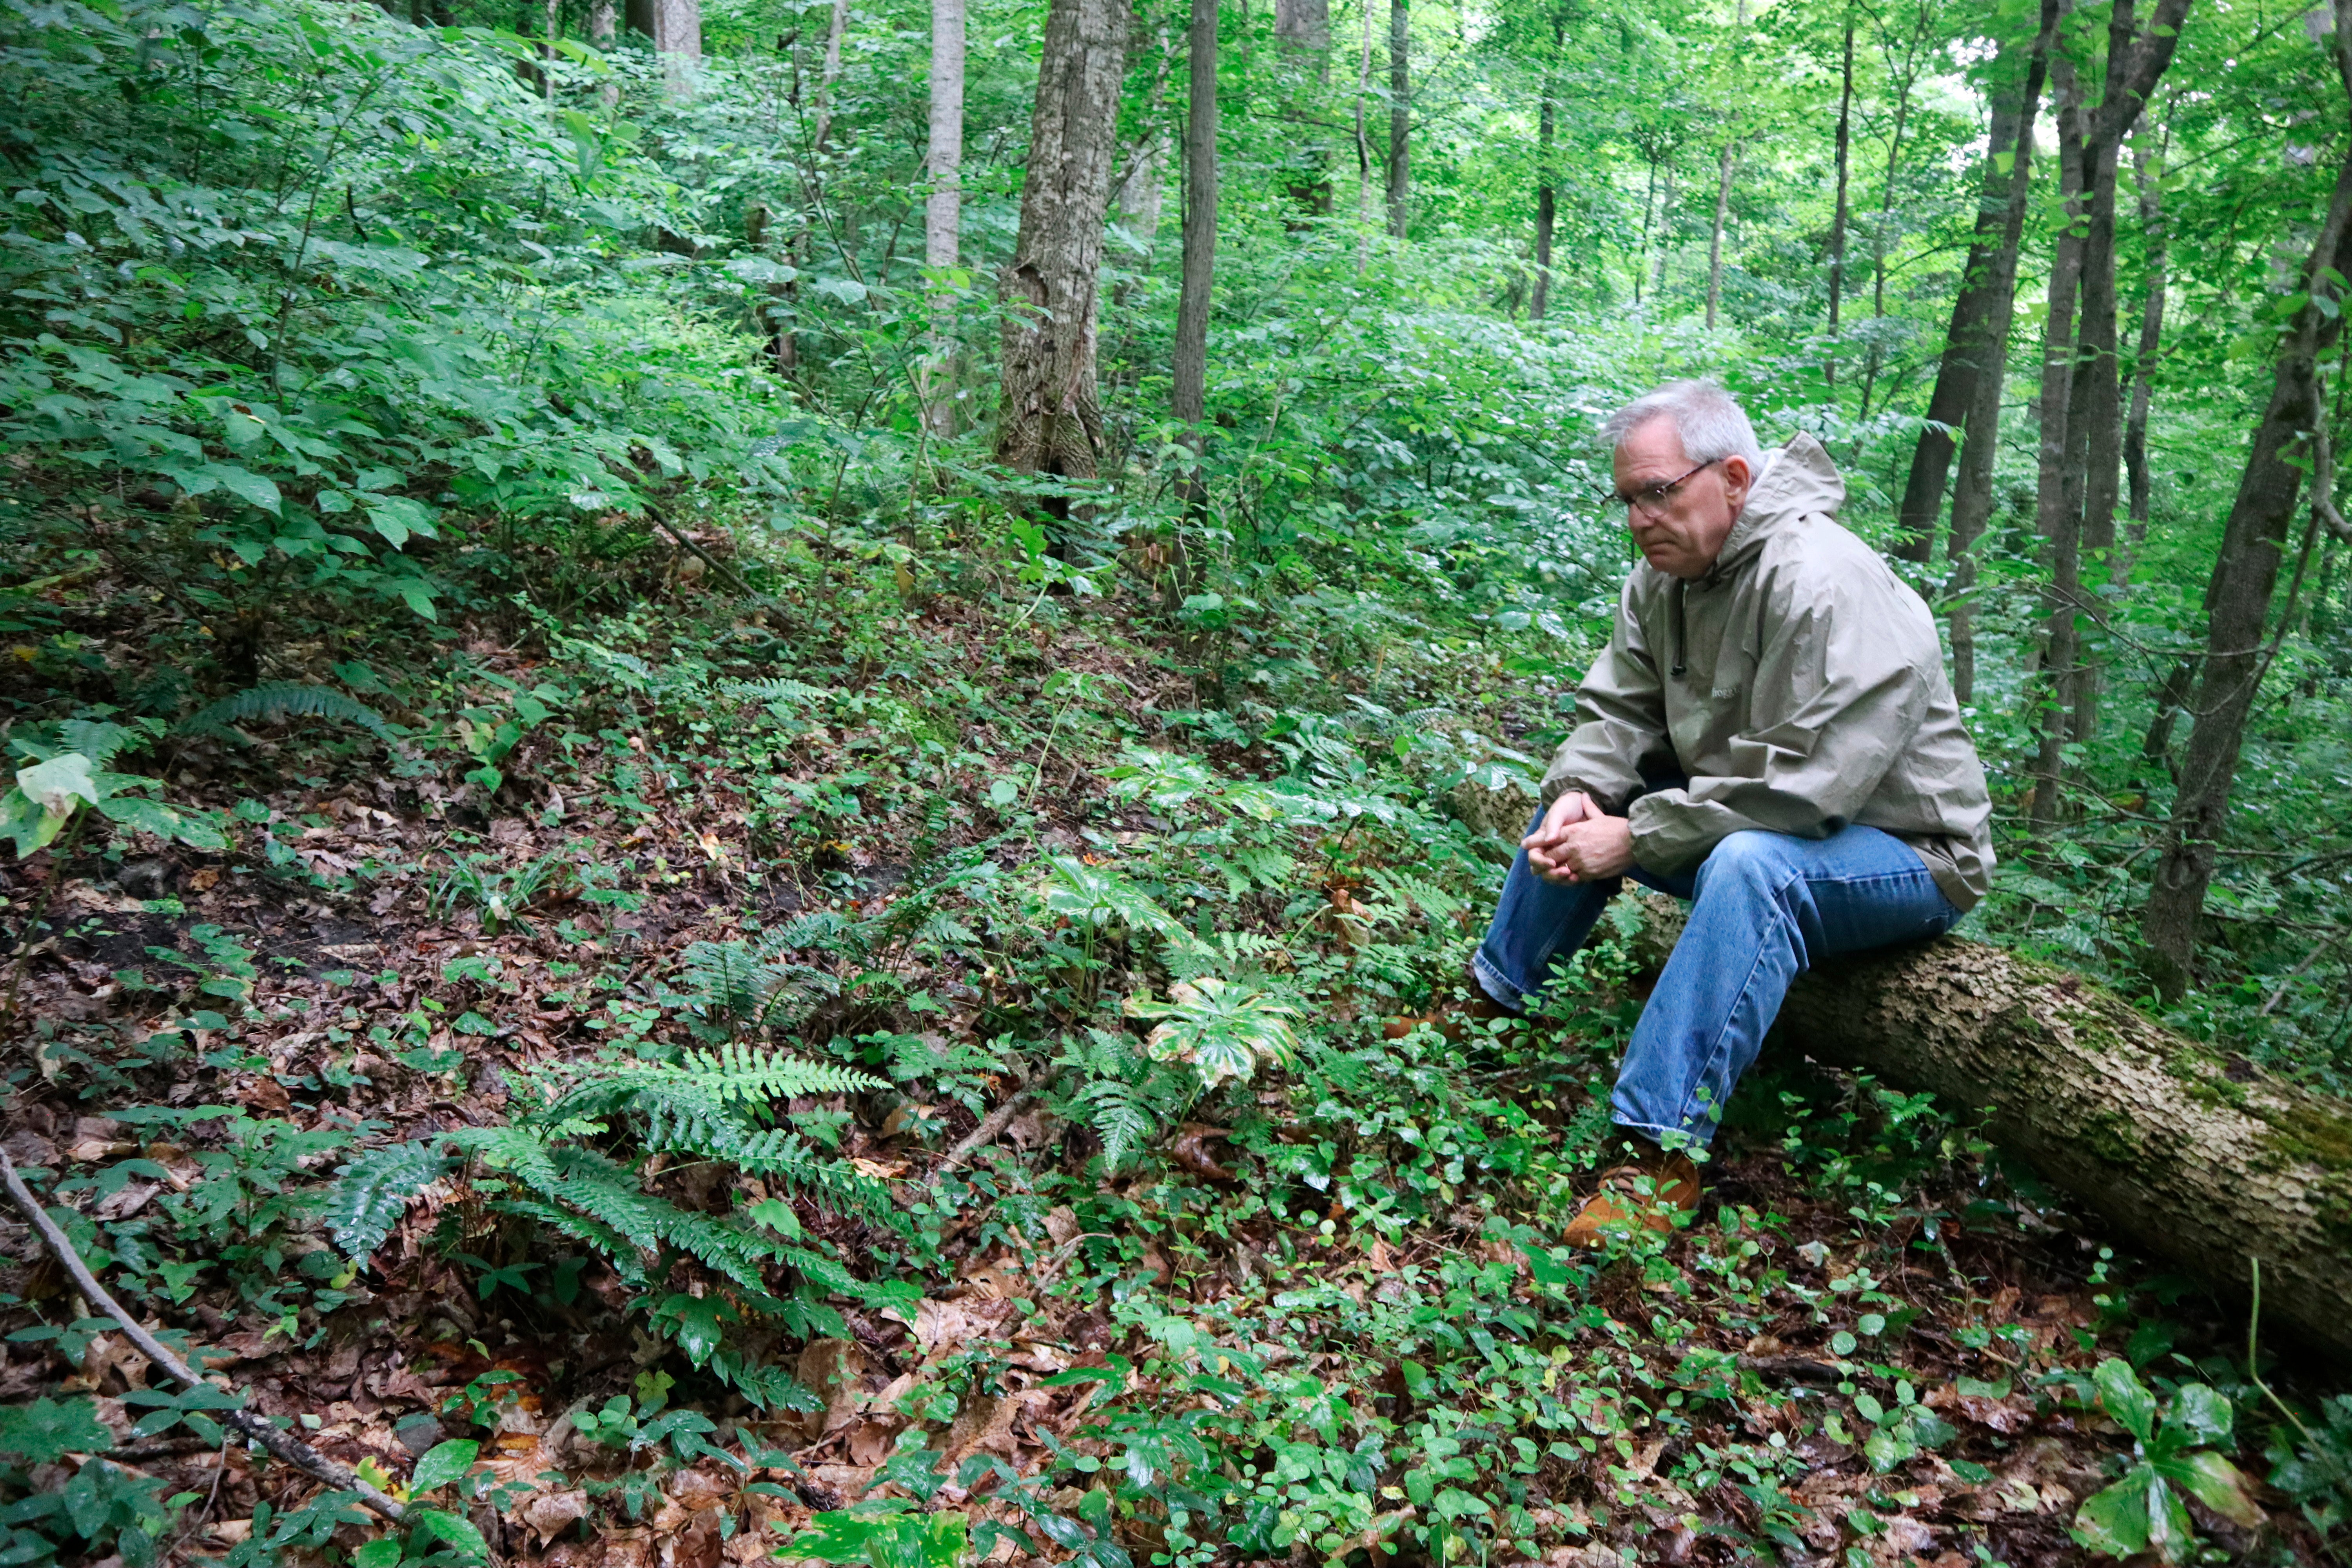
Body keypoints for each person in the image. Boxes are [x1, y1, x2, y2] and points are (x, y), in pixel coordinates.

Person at [1448, 380, 1995, 1246]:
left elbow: (1808, 792)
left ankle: (1659, 1152)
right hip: (1750, 817)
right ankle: (1493, 993)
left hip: (1902, 851)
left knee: (1751, 865)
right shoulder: (1666, 575)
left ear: (1734, 477)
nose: (1639, 517)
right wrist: (1581, 796)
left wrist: (1636, 837)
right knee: (1589, 801)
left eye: (1658, 492)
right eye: (1628, 498)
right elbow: (1619, 713)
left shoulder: (1826, 582)